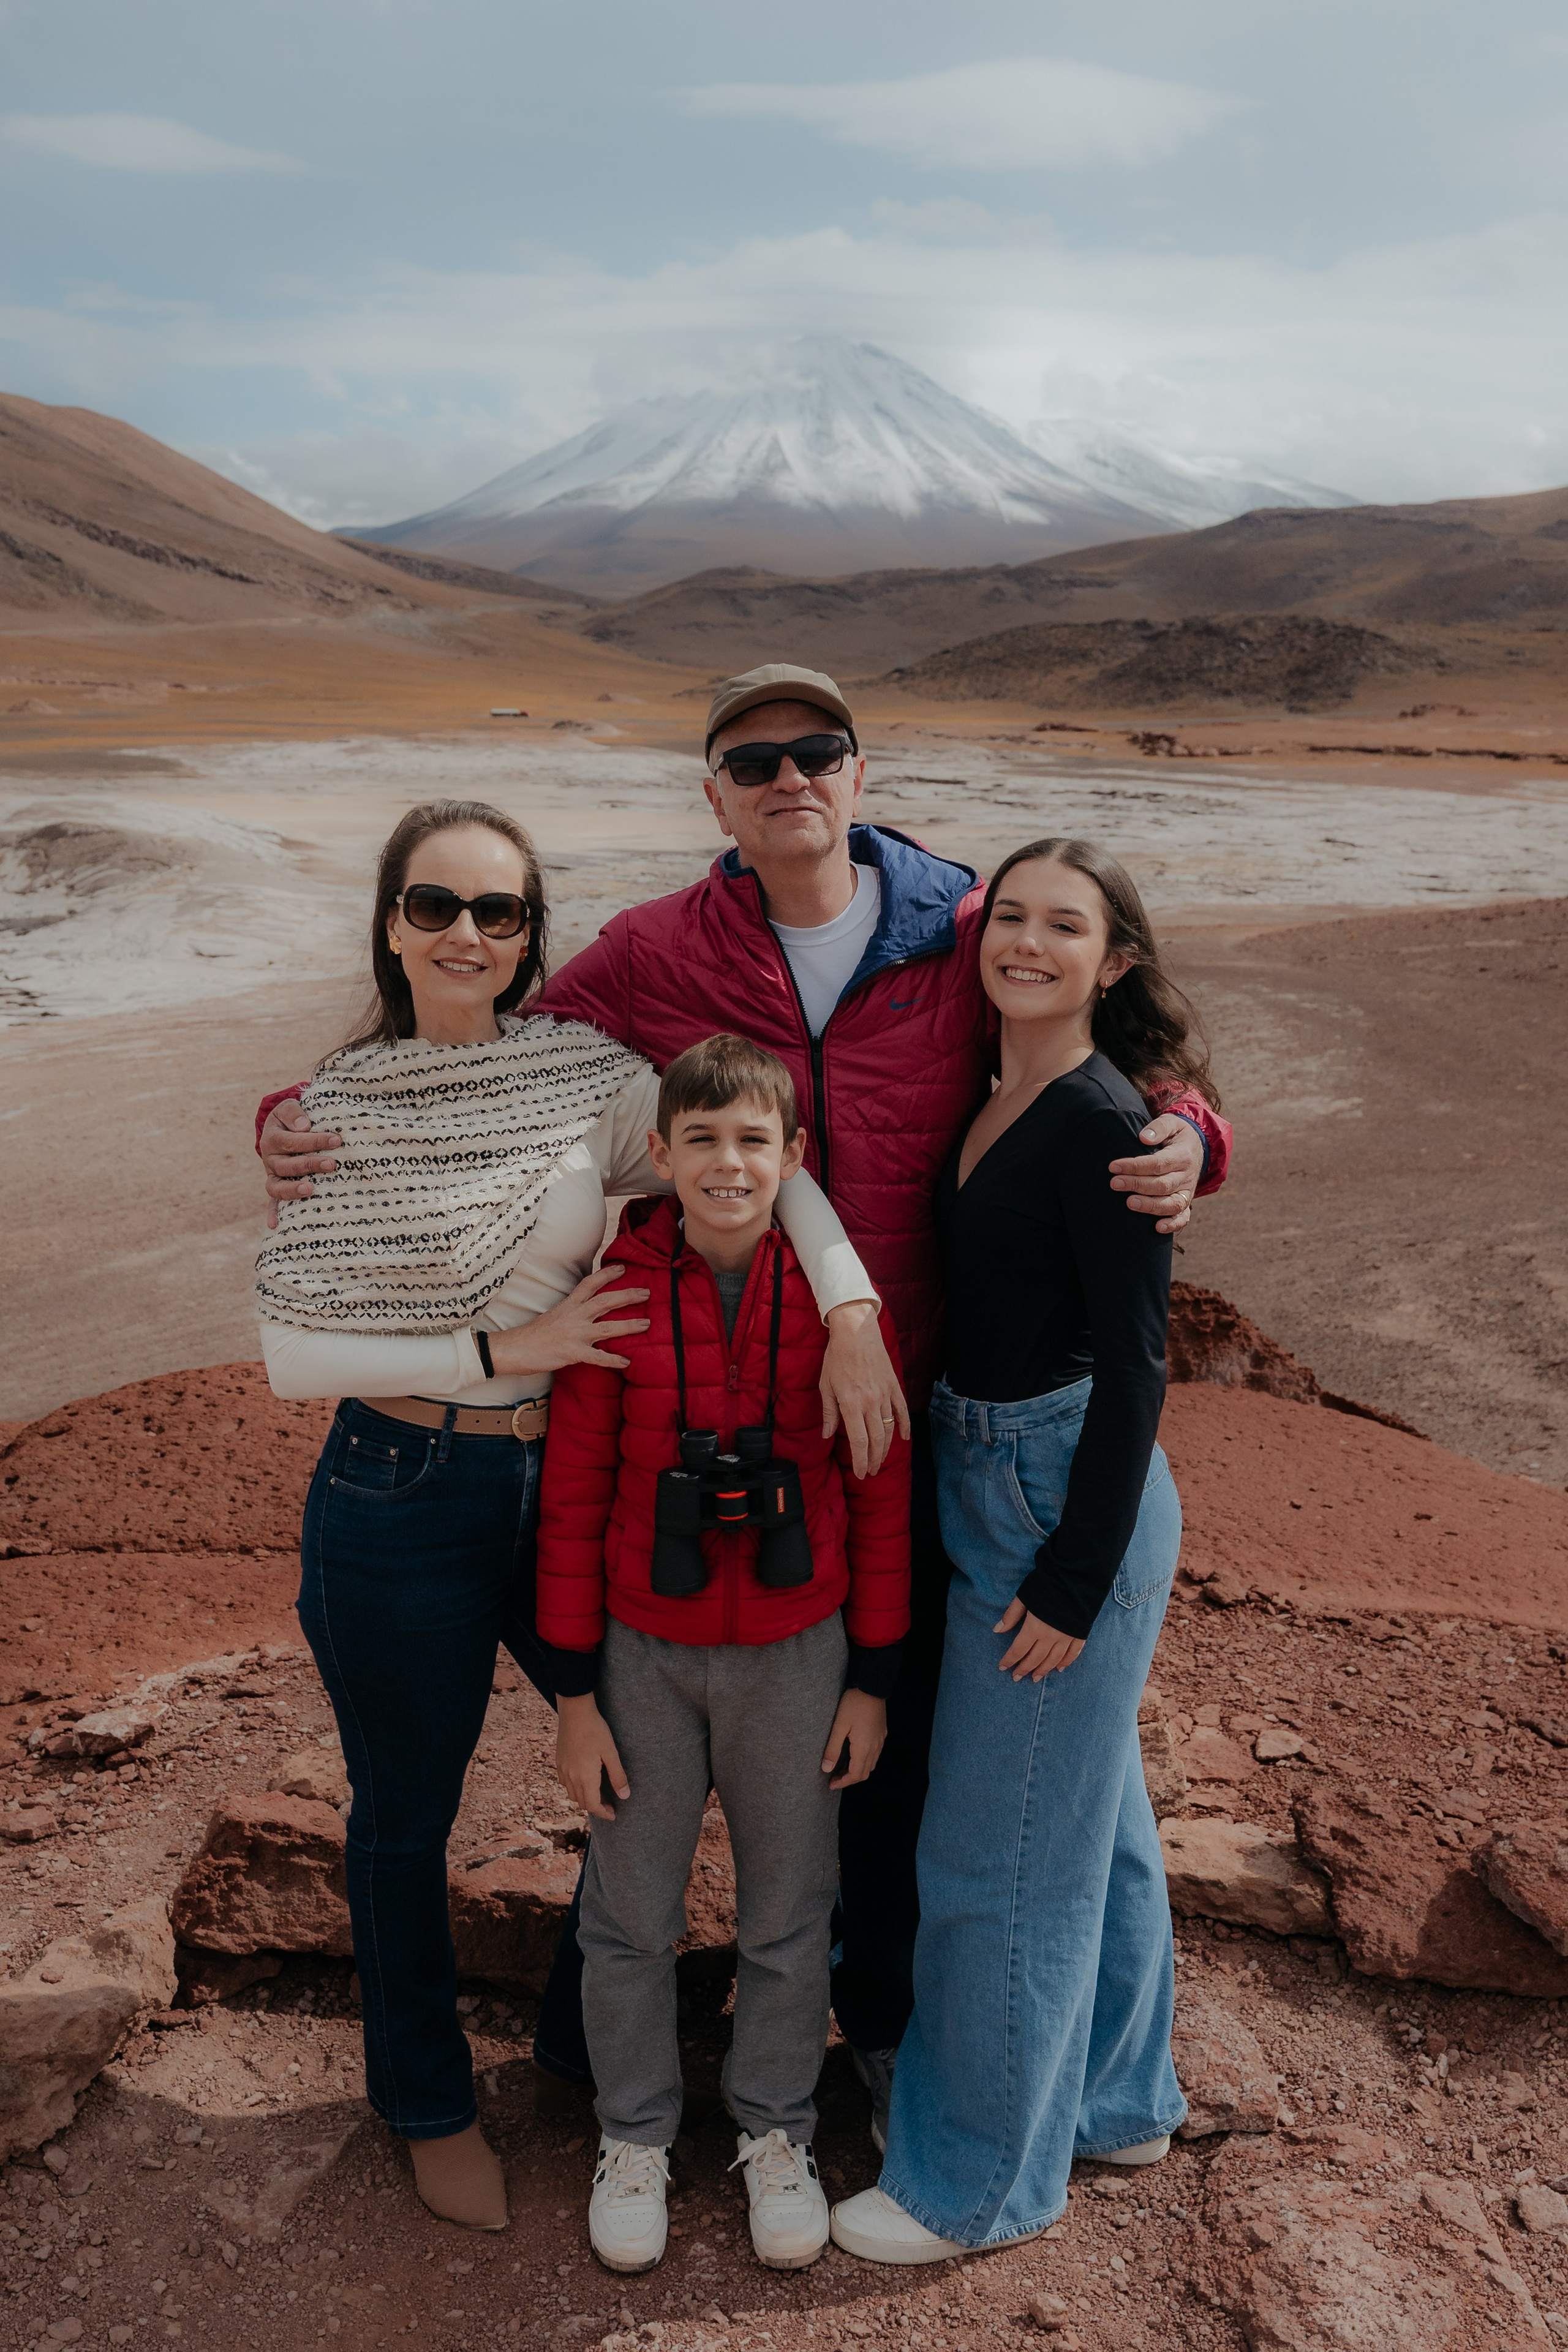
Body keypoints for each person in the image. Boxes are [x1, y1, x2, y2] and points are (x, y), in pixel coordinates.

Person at [255, 665, 1230, 2132]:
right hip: (737, 1415)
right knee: (763, 1739)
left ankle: (922, 2047)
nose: (790, 778)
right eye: (753, 760)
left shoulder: (967, 924)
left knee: (946, 1756)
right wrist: (290, 1117)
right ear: (712, 796)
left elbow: (1106, 1037)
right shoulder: (657, 948)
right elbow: (483, 1048)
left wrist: (1193, 1131)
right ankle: (646, 2067)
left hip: (932, 1406)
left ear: (857, 772)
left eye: (816, 751)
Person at [255, 800, 883, 2234]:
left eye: (498, 911)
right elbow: (294, 1353)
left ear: (530, 935)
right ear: (390, 922)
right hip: (394, 1492)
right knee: (404, 1822)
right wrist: (502, 1349)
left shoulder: (582, 1082)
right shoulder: (334, 1106)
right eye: (435, 905)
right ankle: (427, 2105)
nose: (465, 934)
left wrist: (846, 1306)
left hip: (560, 1493)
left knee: (633, 1772)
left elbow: (753, 1158)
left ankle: (580, 2047)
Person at [829, 838, 1207, 2264]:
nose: (1027, 944)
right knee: (1091, 1822)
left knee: (994, 1853)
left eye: (1067, 926)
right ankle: (1116, 2102)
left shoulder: (1105, 1121)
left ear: (1114, 962)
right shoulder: (1005, 1088)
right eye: (1011, 918)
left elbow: (1137, 1366)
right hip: (991, 1469)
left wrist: (1069, 1579)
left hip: (1057, 1499)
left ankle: (976, 2186)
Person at [534, 1033, 910, 2275]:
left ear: (793, 1158)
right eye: (700, 1140)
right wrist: (574, 1695)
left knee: (789, 1916)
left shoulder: (842, 1316)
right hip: (642, 1658)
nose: (727, 1164)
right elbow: (574, 1500)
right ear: (661, 1154)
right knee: (629, 1915)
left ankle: (776, 2129)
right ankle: (634, 2134)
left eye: (753, 1141)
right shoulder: (620, 1296)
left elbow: (878, 1497)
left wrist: (871, 1678)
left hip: (798, 1656)